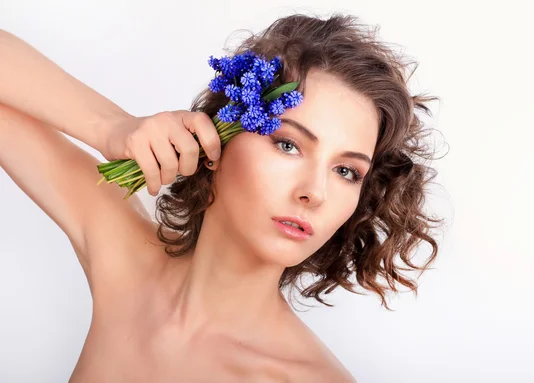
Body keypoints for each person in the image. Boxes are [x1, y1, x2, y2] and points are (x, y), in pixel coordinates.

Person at [0, 12, 443, 382]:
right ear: (216, 143)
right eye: (288, 144)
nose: (315, 192)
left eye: (346, 171)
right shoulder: (122, 258)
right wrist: (112, 127)